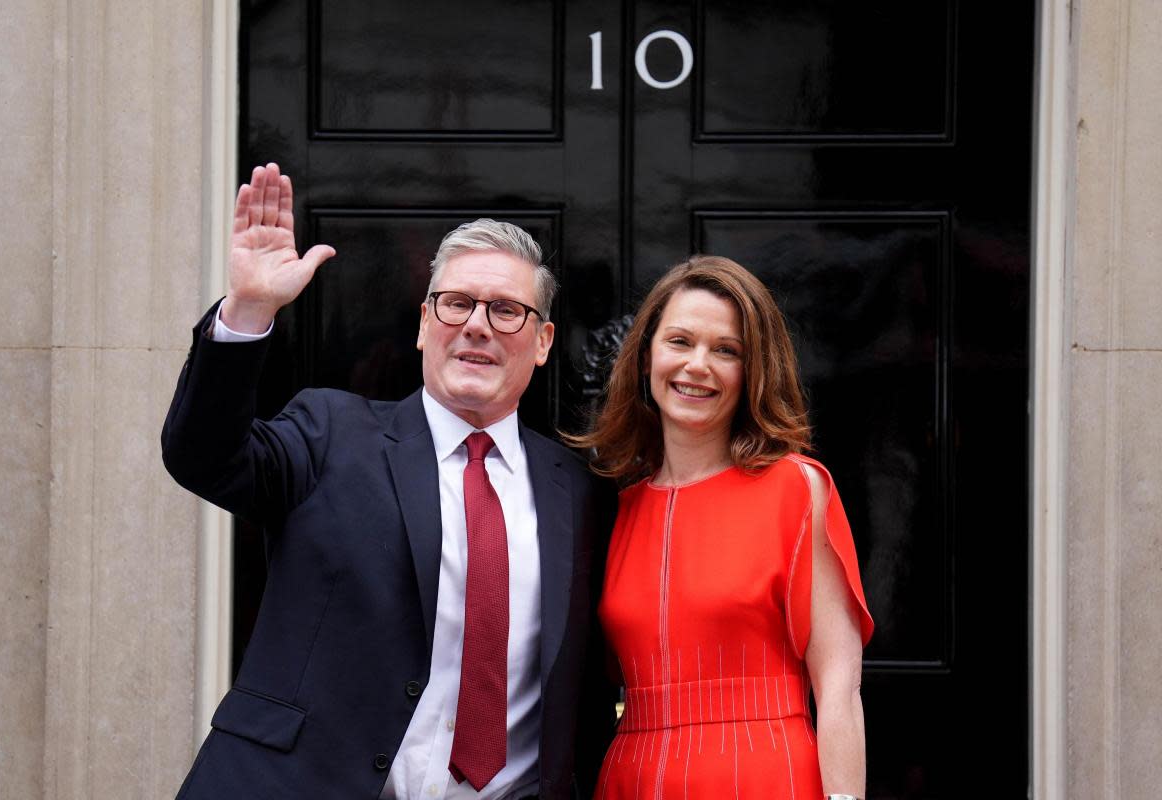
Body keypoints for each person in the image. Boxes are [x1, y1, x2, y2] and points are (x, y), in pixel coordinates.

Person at [162, 163, 615, 799]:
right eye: (456, 303)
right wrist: (250, 308)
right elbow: (203, 457)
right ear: (426, 323)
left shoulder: (581, 491)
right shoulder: (330, 432)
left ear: (542, 342)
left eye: (507, 310)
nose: (477, 325)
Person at [569, 256, 875, 799]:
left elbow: (838, 689)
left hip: (764, 774)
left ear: (752, 368)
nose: (697, 365)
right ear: (645, 357)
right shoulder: (616, 508)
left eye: (725, 350)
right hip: (632, 777)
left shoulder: (796, 489)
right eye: (680, 341)